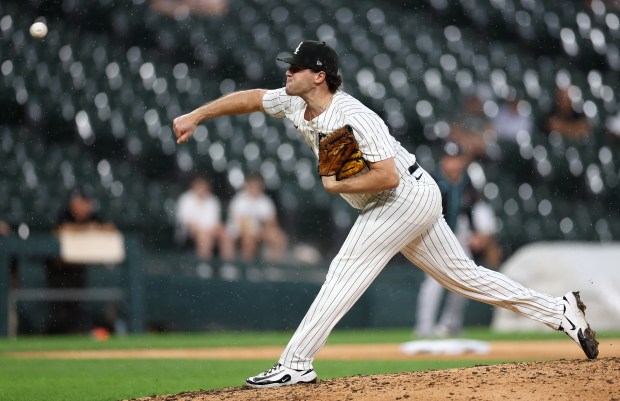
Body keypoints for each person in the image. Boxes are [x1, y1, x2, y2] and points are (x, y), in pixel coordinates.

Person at [172, 40, 598, 388]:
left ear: (319, 75)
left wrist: (338, 185)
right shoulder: (293, 102)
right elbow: (250, 99)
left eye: (296, 68)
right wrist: (197, 115)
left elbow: (388, 177)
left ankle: (296, 362)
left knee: (344, 270)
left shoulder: (354, 116)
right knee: (464, 278)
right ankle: (559, 310)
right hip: (407, 197)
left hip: (402, 196)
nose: (287, 73)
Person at [414, 142, 500, 338]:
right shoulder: (432, 179)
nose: (453, 163)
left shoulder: (466, 180)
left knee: (466, 278)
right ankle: (424, 327)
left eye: (457, 158)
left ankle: (450, 324)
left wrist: (474, 232)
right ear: (443, 160)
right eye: (449, 158)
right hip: (434, 232)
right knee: (434, 281)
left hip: (458, 232)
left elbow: (469, 209)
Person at [45, 188, 116, 334]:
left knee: (76, 306)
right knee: (59, 308)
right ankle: (59, 335)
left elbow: (110, 228)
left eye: (86, 203)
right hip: (58, 270)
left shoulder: (92, 216)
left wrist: (94, 228)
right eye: (81, 203)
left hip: (78, 269)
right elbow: (61, 230)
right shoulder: (64, 213)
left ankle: (76, 332)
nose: (85, 206)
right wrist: (86, 229)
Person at [227, 174, 287, 262]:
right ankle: (248, 268)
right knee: (248, 238)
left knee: (278, 236)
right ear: (247, 186)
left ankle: (273, 268)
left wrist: (262, 229)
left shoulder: (266, 201)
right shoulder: (239, 200)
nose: (254, 188)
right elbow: (241, 224)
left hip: (259, 231)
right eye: (252, 185)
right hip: (239, 231)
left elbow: (272, 223)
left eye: (257, 185)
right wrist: (257, 229)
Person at [176, 175, 234, 261]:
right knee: (204, 236)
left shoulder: (213, 200)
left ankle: (229, 270)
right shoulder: (185, 199)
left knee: (226, 235)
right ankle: (204, 270)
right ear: (194, 186)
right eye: (199, 186)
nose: (201, 189)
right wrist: (201, 229)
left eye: (204, 187)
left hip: (209, 230)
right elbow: (184, 221)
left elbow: (214, 222)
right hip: (189, 232)